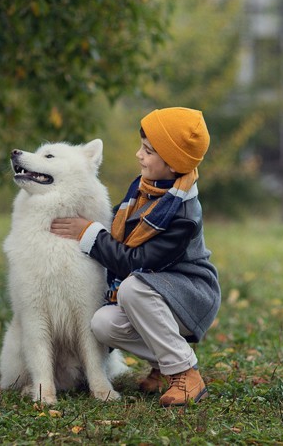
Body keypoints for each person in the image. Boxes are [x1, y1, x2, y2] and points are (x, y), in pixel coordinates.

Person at [50, 107, 221, 407]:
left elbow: (136, 261)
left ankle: (185, 374)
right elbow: (115, 223)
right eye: (142, 147)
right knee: (103, 323)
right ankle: (166, 365)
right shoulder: (145, 190)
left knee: (133, 287)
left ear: (173, 164)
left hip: (191, 294)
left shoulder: (182, 214)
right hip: (159, 293)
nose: (139, 155)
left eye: (148, 151)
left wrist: (88, 233)